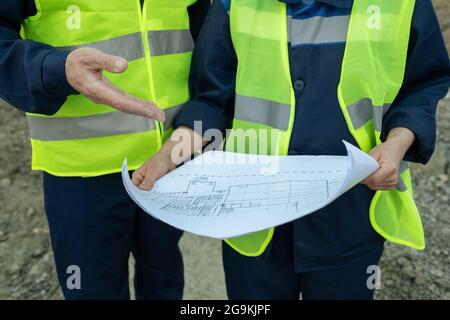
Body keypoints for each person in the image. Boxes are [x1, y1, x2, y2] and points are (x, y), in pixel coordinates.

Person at [132, 0, 450, 299]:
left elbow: (422, 84)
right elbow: (212, 100)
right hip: (252, 220)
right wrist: (170, 155)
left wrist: (397, 143)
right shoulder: (234, 4)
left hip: (349, 215)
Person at [0, 0, 210, 299]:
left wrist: (196, 124)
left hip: (167, 161)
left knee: (165, 280)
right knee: (91, 290)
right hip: (81, 174)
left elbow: (205, 41)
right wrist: (55, 69)